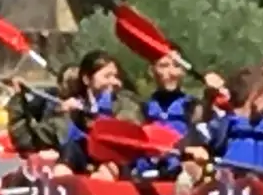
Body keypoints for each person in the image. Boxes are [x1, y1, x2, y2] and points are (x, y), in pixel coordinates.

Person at [59, 50, 138, 179]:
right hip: (83, 156)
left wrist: (90, 116)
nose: (113, 82)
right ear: (86, 79)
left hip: (114, 158)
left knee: (106, 168)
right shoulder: (75, 103)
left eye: (115, 76)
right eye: (107, 76)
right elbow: (55, 137)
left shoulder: (125, 101)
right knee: (65, 157)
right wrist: (64, 114)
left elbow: (128, 126)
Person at [132, 53, 194, 181]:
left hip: (180, 168)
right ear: (152, 71)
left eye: (176, 66)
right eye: (164, 66)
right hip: (148, 168)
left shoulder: (193, 106)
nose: (170, 72)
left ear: (183, 71)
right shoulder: (142, 107)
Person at [6, 67, 74, 160]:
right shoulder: (49, 96)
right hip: (45, 146)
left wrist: (18, 97)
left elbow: (24, 138)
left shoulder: (65, 120)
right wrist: (20, 95)